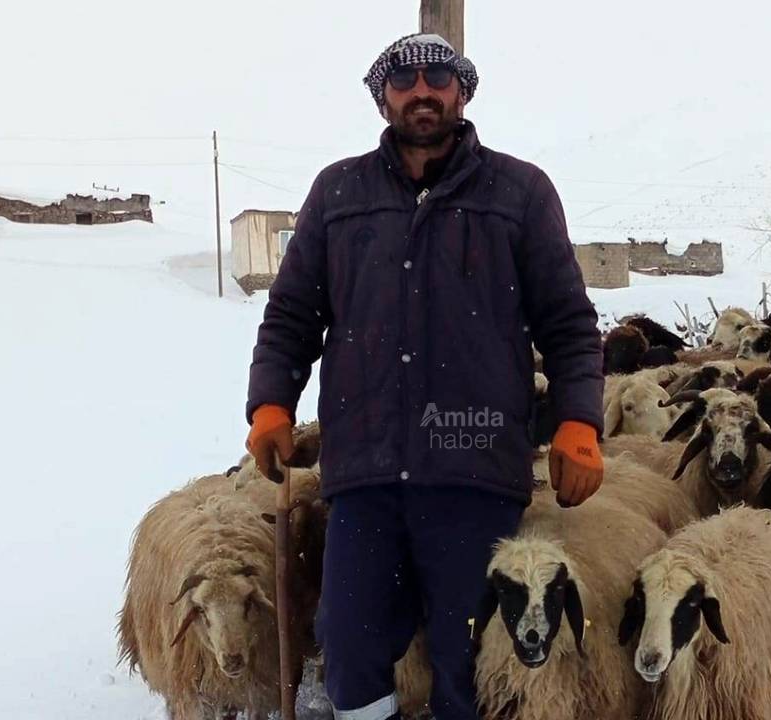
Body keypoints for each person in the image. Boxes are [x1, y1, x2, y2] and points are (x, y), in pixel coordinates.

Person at [245, 33, 603, 720]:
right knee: (349, 648)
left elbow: (567, 323)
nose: (421, 90)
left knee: (469, 657)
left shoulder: (520, 192)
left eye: (439, 76)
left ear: (462, 92)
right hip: (365, 475)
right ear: (382, 96)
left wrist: (579, 422)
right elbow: (291, 314)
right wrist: (270, 404)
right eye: (403, 79)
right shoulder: (338, 193)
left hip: (476, 477)